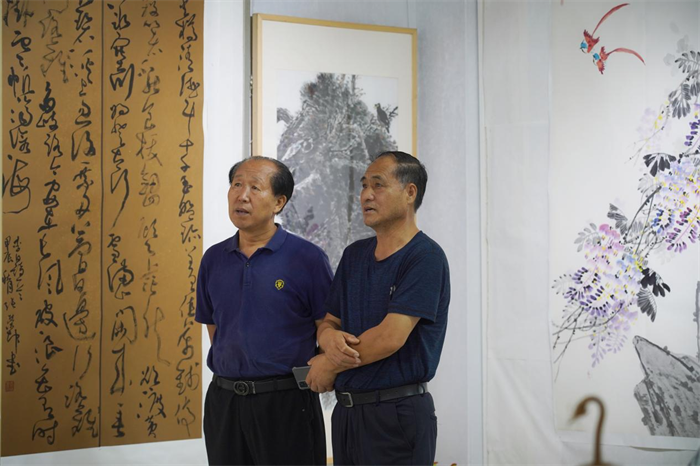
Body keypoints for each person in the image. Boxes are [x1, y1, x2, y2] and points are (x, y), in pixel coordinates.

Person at [306, 151, 451, 466]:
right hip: (347, 413)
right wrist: (328, 337)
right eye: (363, 185)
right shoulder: (355, 255)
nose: (366, 195)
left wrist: (329, 363)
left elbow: (389, 338)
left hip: (396, 414)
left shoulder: (425, 257)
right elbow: (330, 320)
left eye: (378, 185)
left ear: (409, 192)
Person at [196, 156, 332, 466]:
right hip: (224, 401)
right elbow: (216, 329)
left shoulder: (307, 258)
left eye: (255, 188)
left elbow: (328, 325)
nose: (242, 195)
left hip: (286, 401)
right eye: (236, 185)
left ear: (278, 202)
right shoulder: (213, 259)